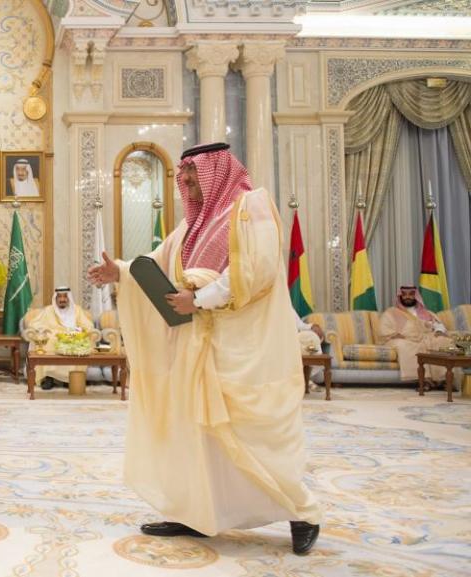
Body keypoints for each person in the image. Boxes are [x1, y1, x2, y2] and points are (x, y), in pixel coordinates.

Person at [87, 142, 322, 555]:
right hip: (194, 349)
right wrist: (119, 272)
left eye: (195, 176)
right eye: (185, 177)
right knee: (193, 434)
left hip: (238, 351)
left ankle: (301, 513)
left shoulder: (251, 208)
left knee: (250, 435)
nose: (189, 184)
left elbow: (256, 272)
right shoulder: (191, 227)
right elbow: (157, 266)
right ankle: (196, 514)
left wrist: (199, 299)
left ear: (218, 171)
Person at [378, 286, 453, 382]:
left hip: (426, 338)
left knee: (444, 342)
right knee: (405, 345)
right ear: (400, 296)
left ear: (416, 296)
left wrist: (439, 331)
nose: (407, 297)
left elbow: (438, 325)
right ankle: (422, 380)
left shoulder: (426, 313)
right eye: (404, 294)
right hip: (404, 339)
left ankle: (444, 379)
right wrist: (394, 334)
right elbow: (383, 329)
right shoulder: (391, 312)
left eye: (411, 294)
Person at [26, 287, 94, 390]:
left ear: (69, 298)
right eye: (59, 297)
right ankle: (48, 377)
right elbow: (34, 324)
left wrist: (80, 330)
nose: (62, 299)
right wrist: (44, 331)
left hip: (72, 336)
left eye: (65, 296)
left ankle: (70, 377)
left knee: (77, 342)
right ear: (55, 298)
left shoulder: (77, 310)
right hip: (53, 336)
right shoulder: (49, 310)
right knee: (50, 340)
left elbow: (88, 326)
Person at [295, 309, 326, 386]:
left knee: (312, 341)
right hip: (279, 342)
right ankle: (303, 381)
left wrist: (312, 326)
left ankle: (306, 379)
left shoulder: (287, 306)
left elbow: (300, 325)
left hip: (295, 342)